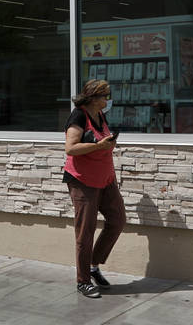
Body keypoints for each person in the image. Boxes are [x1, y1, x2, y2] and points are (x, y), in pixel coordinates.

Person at [63, 78, 125, 298]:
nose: (107, 99)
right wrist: (99, 145)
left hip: (106, 179)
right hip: (83, 181)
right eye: (104, 95)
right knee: (85, 232)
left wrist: (107, 144)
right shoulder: (78, 116)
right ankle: (83, 281)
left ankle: (93, 265)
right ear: (93, 97)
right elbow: (70, 148)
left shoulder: (101, 115)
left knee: (117, 221)